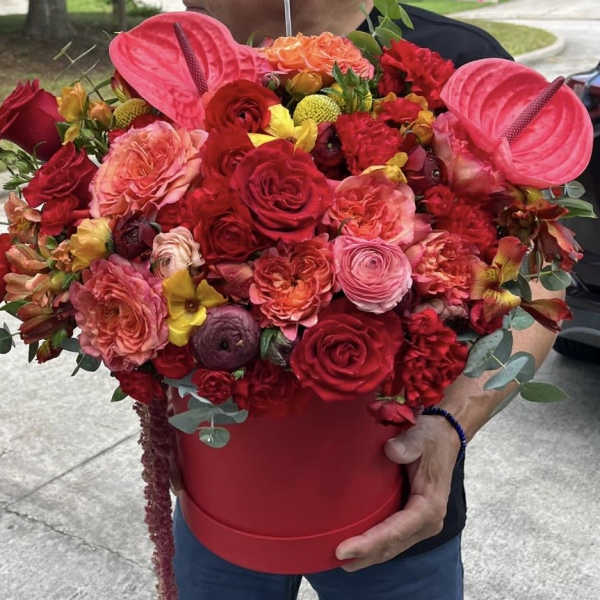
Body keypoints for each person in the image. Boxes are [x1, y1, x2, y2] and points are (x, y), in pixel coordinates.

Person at [171, 1, 560, 598]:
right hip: (222, 495)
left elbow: (542, 287)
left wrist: (449, 425)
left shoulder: (458, 61)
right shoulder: (186, 69)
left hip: (397, 505)